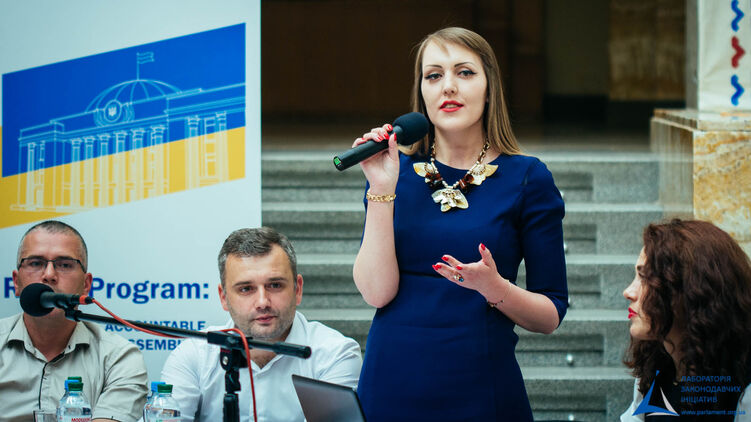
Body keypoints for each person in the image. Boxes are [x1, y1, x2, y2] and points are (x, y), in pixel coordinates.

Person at [351, 27, 568, 421]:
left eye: (464, 72)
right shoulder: (392, 173)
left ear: (490, 88)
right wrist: (380, 189)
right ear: (422, 92)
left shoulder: (528, 178)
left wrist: (495, 288)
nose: (448, 86)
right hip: (391, 382)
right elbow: (376, 293)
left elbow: (549, 314)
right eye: (434, 75)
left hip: (480, 387)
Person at [161, 226, 362, 421]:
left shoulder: (335, 354)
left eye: (275, 285)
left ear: (297, 289)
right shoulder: (194, 355)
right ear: (223, 297)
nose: (262, 302)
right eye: (246, 289)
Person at [0, 220, 148, 422]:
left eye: (64, 265)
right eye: (35, 263)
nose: (49, 275)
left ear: (86, 285)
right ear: (16, 282)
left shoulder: (119, 357)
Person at [621, 219, 751, 421]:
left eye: (645, 278)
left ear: (691, 291)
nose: (628, 292)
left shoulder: (743, 387)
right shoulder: (654, 364)